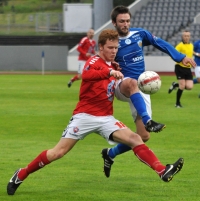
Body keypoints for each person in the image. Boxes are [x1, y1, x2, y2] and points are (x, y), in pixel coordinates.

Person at [7, 29, 184, 196]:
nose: (114, 51)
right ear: (101, 47)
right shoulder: (94, 62)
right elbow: (88, 75)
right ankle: (21, 173)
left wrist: (115, 71)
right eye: (110, 48)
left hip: (106, 118)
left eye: (116, 48)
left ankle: (162, 170)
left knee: (136, 138)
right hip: (84, 117)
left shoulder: (114, 65)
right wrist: (109, 72)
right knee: (57, 153)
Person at [101, 6, 196, 178]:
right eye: (121, 21)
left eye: (128, 21)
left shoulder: (140, 34)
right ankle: (149, 120)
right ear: (114, 22)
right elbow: (102, 63)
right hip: (122, 85)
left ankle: (110, 154)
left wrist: (180, 57)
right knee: (130, 83)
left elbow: (160, 43)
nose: (125, 24)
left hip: (141, 87)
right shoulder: (112, 42)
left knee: (143, 136)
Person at [168, 31, 195, 107]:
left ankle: (175, 85)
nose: (186, 37)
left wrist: (192, 63)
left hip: (188, 68)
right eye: (185, 36)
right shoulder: (179, 46)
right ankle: (177, 103)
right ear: (182, 37)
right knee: (182, 86)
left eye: (188, 36)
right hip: (179, 67)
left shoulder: (191, 45)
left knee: (189, 87)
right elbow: (172, 55)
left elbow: (190, 55)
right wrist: (180, 60)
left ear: (190, 37)